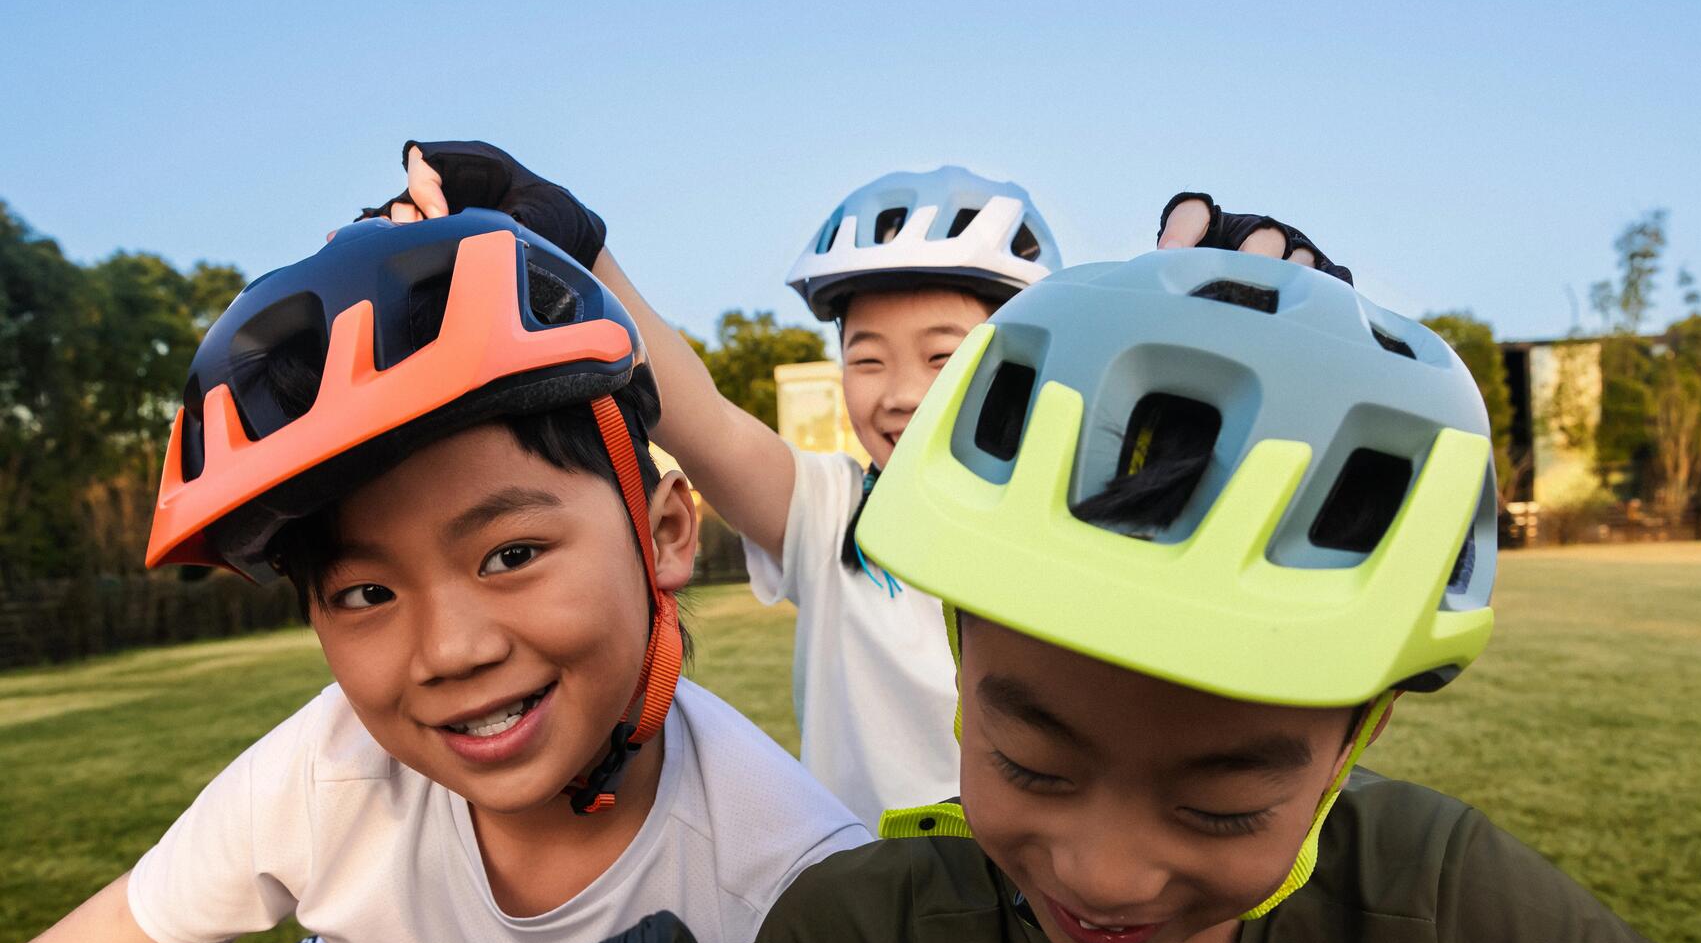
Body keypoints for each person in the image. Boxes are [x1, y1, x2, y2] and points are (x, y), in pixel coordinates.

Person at [541, 248, 1701, 943]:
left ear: (1360, 738)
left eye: (1220, 801)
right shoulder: (878, 935)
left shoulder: (1449, 918)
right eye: (1029, 762)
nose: (1103, 870)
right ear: (958, 657)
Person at [0, 211, 949, 943]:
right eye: (366, 593)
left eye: (511, 553)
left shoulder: (792, 870)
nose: (449, 650)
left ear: (666, 534)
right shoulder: (320, 777)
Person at [369, 142, 1348, 830]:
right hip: (862, 924)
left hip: (1046, 911)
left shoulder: (1092, 526)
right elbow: (692, 409)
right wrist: (575, 247)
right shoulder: (830, 513)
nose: (900, 392)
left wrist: (1294, 376)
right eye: (868, 356)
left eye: (943, 353)